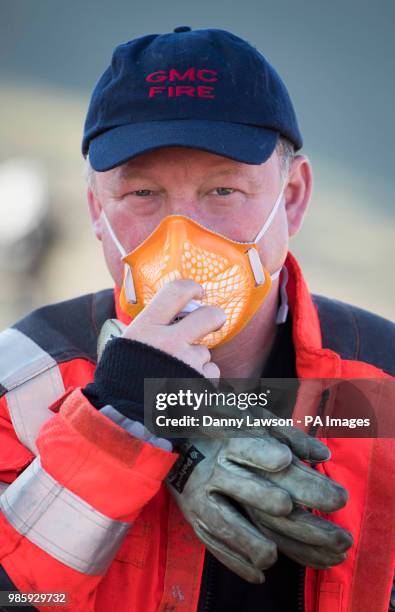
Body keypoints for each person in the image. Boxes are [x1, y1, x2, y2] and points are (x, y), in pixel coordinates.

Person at [0, 26, 394, 612]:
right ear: (96, 210)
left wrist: (181, 411)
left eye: (222, 191)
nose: (183, 236)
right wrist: (116, 419)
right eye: (142, 195)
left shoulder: (381, 386)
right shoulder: (25, 381)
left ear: (292, 196)